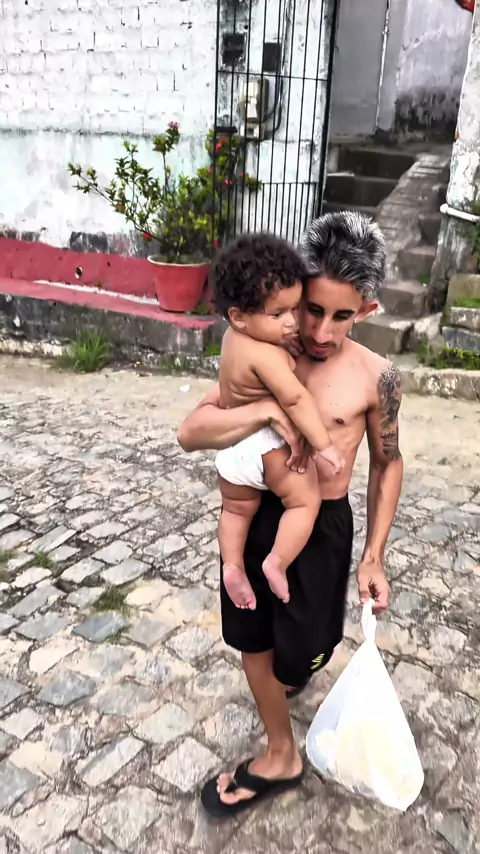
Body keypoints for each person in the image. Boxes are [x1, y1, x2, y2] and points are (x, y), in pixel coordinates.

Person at [177, 211, 403, 819]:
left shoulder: (378, 378)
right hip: (258, 516)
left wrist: (374, 555)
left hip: (320, 527)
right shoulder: (264, 351)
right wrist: (262, 414)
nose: (320, 331)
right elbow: (192, 431)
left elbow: (388, 463)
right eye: (311, 309)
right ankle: (281, 753)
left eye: (341, 315)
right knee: (252, 639)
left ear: (366, 310)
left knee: (305, 651)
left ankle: (294, 670)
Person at [210, 233, 343, 611]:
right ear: (239, 316)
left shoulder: (233, 339)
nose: (291, 323)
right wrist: (324, 445)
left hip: (232, 450)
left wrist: (279, 339)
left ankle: (232, 565)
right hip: (266, 446)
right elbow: (295, 399)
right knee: (305, 502)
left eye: (294, 309)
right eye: (278, 314)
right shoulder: (266, 355)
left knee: (235, 510)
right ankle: (277, 562)